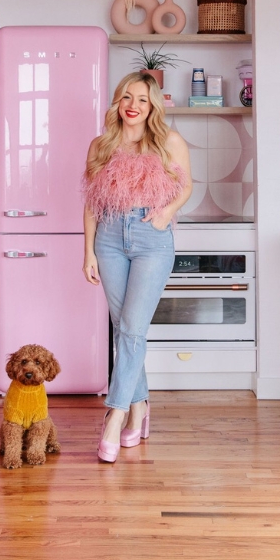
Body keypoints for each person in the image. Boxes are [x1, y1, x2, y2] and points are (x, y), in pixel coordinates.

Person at [82, 72, 192, 463]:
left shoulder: (168, 141)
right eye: (127, 97)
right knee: (125, 330)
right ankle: (140, 409)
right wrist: (89, 251)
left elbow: (187, 186)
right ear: (117, 101)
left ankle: (115, 416)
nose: (133, 105)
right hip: (109, 240)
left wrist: (166, 213)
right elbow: (92, 202)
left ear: (152, 106)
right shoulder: (102, 145)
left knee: (131, 330)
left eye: (142, 99)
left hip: (151, 241)